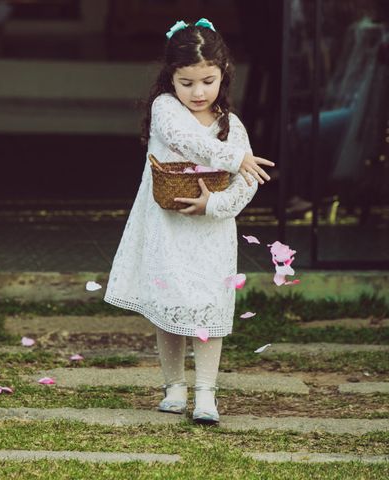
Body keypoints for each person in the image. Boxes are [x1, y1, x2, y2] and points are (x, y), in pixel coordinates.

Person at [104, 18, 274, 425]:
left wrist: (214, 204)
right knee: (171, 300)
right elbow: (188, 141)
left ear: (224, 74)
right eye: (187, 82)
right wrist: (235, 158)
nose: (197, 92)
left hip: (211, 232)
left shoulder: (232, 125)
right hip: (169, 227)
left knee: (209, 308)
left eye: (207, 81)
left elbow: (245, 184)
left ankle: (207, 393)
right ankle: (175, 386)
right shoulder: (166, 110)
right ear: (171, 79)